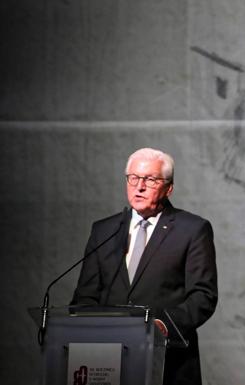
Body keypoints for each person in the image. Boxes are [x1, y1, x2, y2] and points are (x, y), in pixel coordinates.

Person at [72, 147, 218, 385]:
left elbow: (203, 296)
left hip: (168, 361)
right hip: (107, 362)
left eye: (150, 179)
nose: (139, 186)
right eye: (133, 178)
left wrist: (161, 325)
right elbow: (85, 297)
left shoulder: (192, 229)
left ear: (168, 188)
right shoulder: (105, 230)